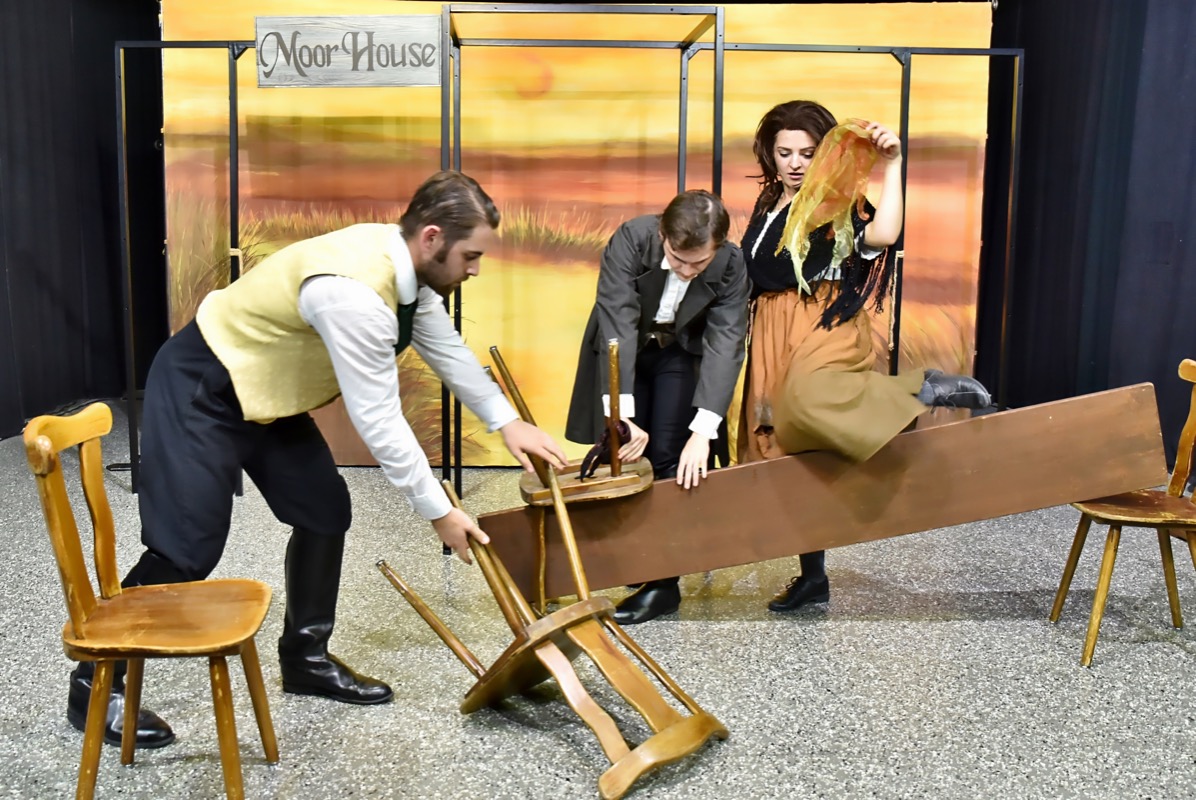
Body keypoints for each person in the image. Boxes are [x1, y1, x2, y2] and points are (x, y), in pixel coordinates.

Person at [66, 170, 569, 748]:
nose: (475, 269)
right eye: (471, 256)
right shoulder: (354, 293)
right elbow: (379, 419)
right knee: (186, 549)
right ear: (432, 237)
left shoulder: (409, 274)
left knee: (324, 512)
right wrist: (438, 511)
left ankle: (305, 660)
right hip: (204, 386)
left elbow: (446, 350)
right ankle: (94, 685)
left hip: (267, 393)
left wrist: (507, 421)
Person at [738, 100, 990, 614]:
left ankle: (921, 386)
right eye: (785, 153)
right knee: (784, 450)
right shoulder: (768, 206)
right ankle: (813, 577)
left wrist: (893, 164)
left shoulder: (835, 205)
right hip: (771, 330)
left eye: (808, 153)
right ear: (770, 155)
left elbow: (884, 234)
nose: (795, 163)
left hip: (822, 322)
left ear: (826, 154)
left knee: (807, 403)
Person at [565, 189, 749, 624]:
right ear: (663, 234)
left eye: (699, 264)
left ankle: (663, 585)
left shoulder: (731, 264)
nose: (686, 272)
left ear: (718, 247)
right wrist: (623, 418)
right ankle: (637, 558)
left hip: (679, 351)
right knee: (628, 453)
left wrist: (702, 434)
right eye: (677, 260)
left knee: (669, 455)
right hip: (624, 347)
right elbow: (618, 322)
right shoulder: (632, 239)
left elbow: (726, 342)